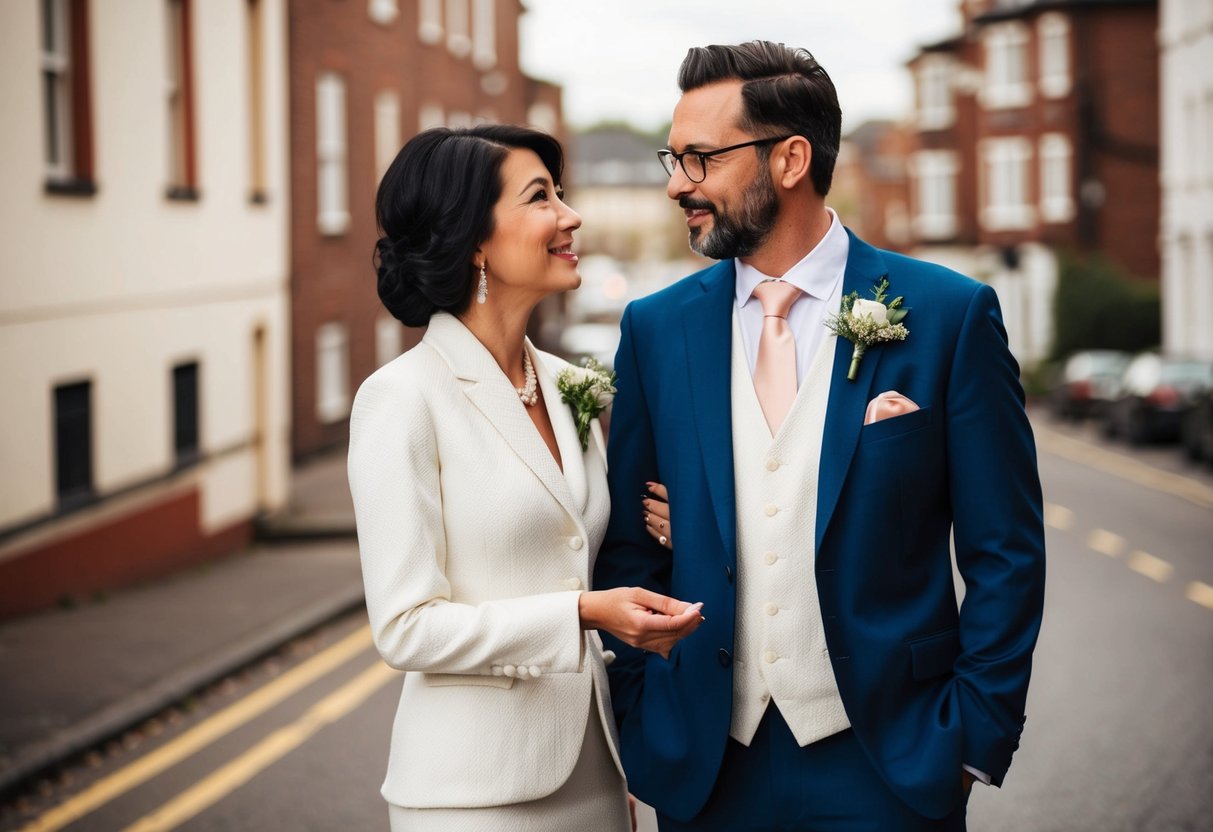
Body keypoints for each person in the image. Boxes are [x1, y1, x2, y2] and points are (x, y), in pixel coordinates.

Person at [594, 41, 1046, 830]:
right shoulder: (654, 330)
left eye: (699, 159)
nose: (676, 185)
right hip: (705, 767)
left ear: (790, 158)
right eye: (674, 158)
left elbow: (1004, 549)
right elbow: (632, 546)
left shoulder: (946, 314)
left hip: (890, 761)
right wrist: (645, 715)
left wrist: (972, 741)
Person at [348, 124, 704, 832]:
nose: (570, 216)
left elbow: (596, 537)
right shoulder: (401, 399)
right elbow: (404, 629)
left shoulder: (577, 387)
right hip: (473, 798)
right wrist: (581, 613)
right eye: (540, 197)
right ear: (473, 239)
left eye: (562, 194)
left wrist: (680, 519)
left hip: (597, 775)